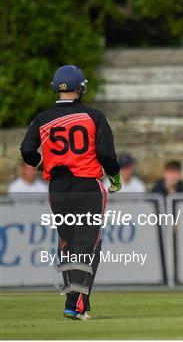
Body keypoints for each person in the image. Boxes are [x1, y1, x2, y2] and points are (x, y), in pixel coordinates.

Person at [20, 65, 121, 320]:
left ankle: (70, 302)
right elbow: (107, 155)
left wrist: (44, 165)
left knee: (66, 243)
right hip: (87, 185)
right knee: (89, 244)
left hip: (58, 188)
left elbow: (27, 151)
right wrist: (115, 177)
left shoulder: (42, 119)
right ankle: (79, 303)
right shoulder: (93, 116)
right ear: (80, 88)